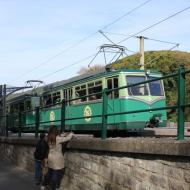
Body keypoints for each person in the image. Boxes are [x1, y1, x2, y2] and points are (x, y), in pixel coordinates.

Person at [47, 126, 74, 190]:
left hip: (50, 158)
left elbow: (60, 136)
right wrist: (71, 133)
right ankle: (55, 187)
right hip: (57, 159)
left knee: (51, 172)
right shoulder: (58, 139)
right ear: (56, 131)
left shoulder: (49, 137)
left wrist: (64, 134)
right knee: (56, 174)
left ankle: (51, 185)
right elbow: (68, 138)